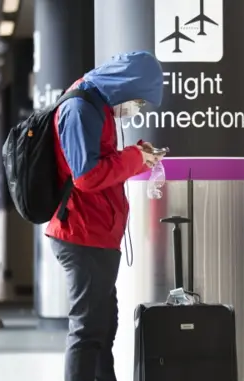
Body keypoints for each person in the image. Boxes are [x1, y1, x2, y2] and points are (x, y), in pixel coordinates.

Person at [45, 51, 165, 381]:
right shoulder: (81, 107)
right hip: (82, 235)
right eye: (138, 101)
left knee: (102, 326)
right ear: (127, 86)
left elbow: (104, 162)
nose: (135, 109)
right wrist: (134, 158)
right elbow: (86, 176)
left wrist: (138, 155)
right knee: (87, 331)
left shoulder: (98, 107)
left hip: (97, 234)